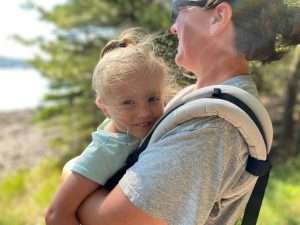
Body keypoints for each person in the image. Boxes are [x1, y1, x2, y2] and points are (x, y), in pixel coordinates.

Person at [49, 0, 290, 225]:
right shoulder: (200, 99)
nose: (172, 28)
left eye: (178, 11)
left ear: (218, 16)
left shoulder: (210, 126)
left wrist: (71, 169)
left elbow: (109, 221)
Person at [45, 30, 170, 225]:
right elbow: (55, 214)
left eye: (153, 99)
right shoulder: (109, 150)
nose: (144, 112)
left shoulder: (131, 128)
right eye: (128, 103)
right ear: (104, 107)